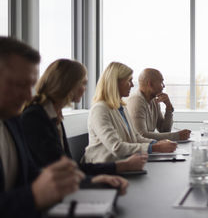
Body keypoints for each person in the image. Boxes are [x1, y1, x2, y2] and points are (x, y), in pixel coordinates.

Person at [0, 37, 84, 217]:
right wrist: (33, 196)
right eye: (20, 85)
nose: (29, 96)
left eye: (31, 85)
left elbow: (31, 175)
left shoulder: (11, 121)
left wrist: (89, 181)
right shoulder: (29, 117)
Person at [21, 59, 148, 174]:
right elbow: (61, 169)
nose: (85, 89)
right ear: (67, 85)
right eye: (82, 83)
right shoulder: (35, 117)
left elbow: (68, 166)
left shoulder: (54, 115)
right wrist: (120, 167)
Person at [83, 62, 177, 163]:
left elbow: (135, 137)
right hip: (103, 168)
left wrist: (156, 143)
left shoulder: (121, 107)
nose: (132, 85)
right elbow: (116, 147)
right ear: (115, 83)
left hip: (123, 163)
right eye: (129, 81)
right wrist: (155, 147)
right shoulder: (100, 109)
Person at [126, 68, 191, 141]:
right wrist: (177, 136)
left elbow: (164, 130)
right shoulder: (136, 101)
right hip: (139, 151)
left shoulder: (154, 100)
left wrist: (169, 107)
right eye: (161, 82)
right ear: (150, 84)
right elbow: (142, 136)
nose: (163, 86)